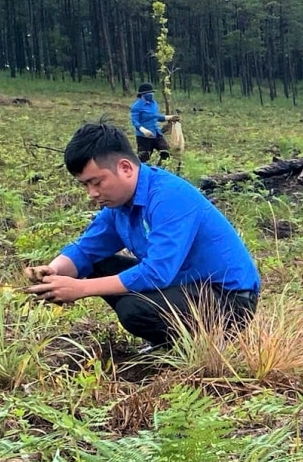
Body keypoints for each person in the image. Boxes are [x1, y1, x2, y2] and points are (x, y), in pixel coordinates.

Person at [27, 123, 261, 350]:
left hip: (229, 301)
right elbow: (85, 250)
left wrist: (81, 288)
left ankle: (195, 345)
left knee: (135, 309)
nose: (92, 193)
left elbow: (157, 273)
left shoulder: (168, 196)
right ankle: (171, 341)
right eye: (85, 185)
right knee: (95, 264)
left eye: (96, 182)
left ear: (125, 168)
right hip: (186, 286)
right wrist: (52, 271)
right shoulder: (117, 206)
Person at [130, 83, 171, 164]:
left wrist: (168, 118)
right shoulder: (136, 106)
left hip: (156, 133)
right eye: (149, 93)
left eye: (152, 93)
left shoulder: (154, 104)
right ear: (142, 94)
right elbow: (135, 121)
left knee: (165, 151)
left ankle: (160, 168)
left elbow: (155, 117)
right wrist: (144, 130)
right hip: (143, 137)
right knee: (144, 157)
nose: (151, 95)